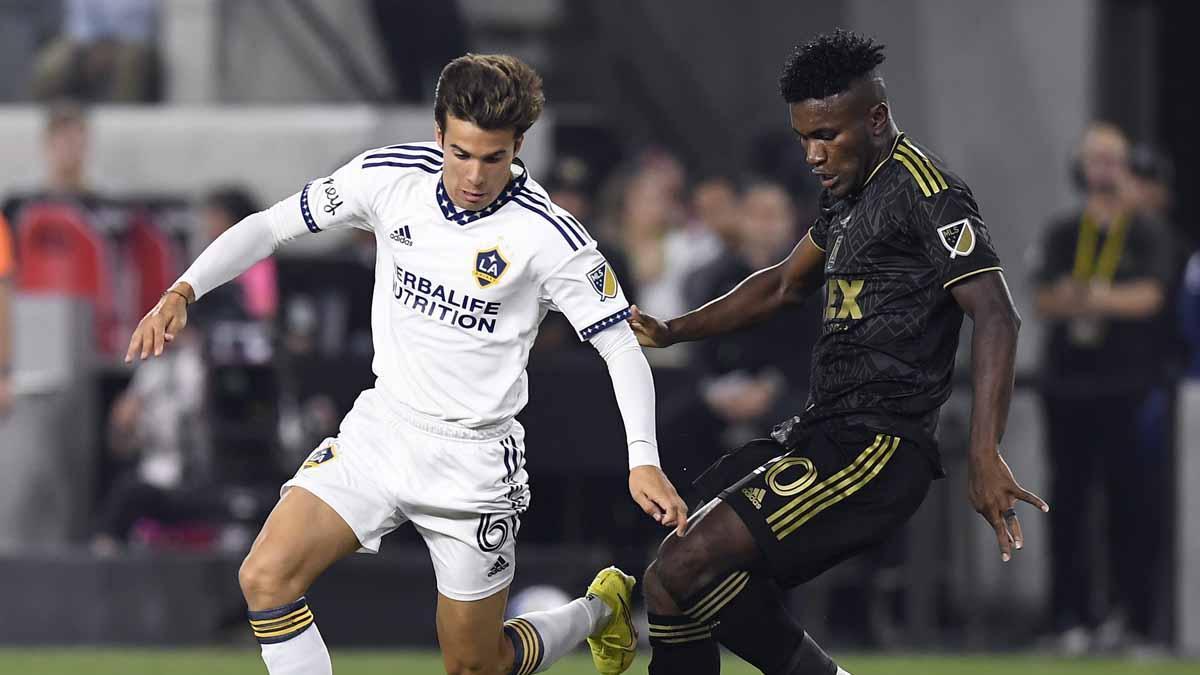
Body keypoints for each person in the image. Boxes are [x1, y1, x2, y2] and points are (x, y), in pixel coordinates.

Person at [125, 54, 687, 675]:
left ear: (518, 146)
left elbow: (620, 347)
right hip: (381, 431)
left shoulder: (549, 236)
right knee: (265, 577)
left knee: (478, 665)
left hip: (473, 462)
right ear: (439, 133)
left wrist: (644, 460)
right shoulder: (386, 176)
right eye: (461, 152)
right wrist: (183, 291)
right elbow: (268, 227)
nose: (475, 175)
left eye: (494, 158)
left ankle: (596, 612)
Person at [629, 30, 1047, 675]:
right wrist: (674, 329)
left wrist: (987, 452)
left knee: (684, 567)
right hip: (821, 432)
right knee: (675, 580)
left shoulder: (927, 191)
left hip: (876, 445)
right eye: (804, 139)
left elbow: (997, 315)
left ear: (876, 119)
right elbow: (782, 283)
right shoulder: (848, 195)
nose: (814, 155)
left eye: (827, 135)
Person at [1033, 124, 1173, 652]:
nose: (1105, 170)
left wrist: (1087, 296)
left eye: (1114, 159)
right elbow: (1043, 300)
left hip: (1128, 386)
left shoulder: (1146, 232)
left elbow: (1149, 298)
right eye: (1095, 159)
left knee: (1130, 505)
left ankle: (1133, 622)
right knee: (1064, 504)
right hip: (1068, 386)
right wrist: (1103, 298)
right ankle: (1068, 620)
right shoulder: (1063, 231)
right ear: (1081, 166)